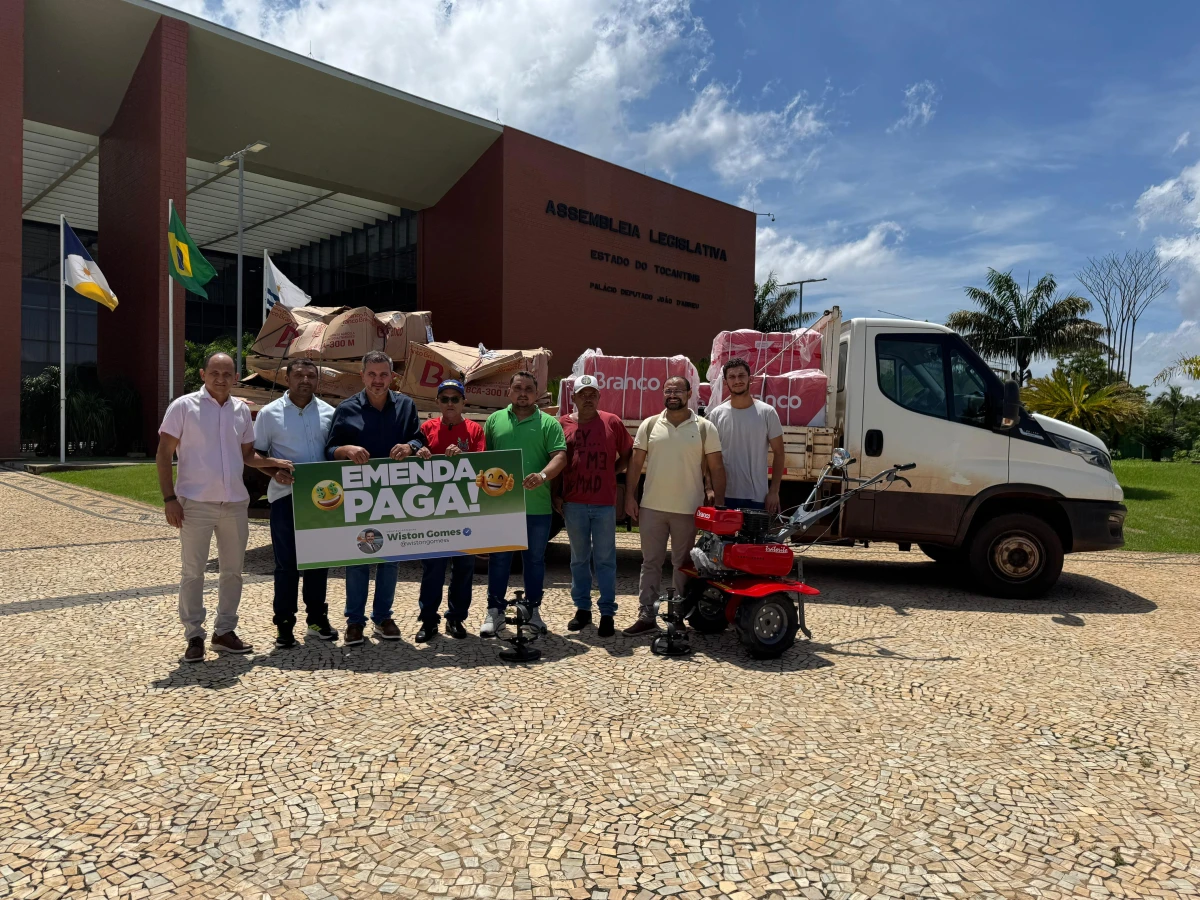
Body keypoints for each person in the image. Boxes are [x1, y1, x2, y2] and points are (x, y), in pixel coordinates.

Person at [157, 351, 291, 663]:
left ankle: (224, 631)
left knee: (233, 572)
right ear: (203, 374)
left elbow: (247, 456)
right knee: (193, 572)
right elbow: (164, 454)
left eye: (227, 374)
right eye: (214, 373)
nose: (220, 379)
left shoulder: (241, 411)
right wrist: (169, 499)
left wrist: (273, 466)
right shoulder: (183, 407)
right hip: (195, 504)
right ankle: (194, 635)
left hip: (234, 504)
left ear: (236, 377)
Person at [325, 349, 426, 646]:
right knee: (358, 557)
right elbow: (329, 450)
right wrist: (347, 450)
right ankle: (354, 621)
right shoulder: (346, 409)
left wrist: (409, 447)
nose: (378, 380)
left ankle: (383, 617)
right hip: (360, 495)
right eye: (372, 374)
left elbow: (419, 438)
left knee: (390, 558)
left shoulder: (406, 405)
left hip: (396, 494)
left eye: (383, 375)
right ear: (362, 376)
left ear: (392, 377)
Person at [623, 376, 726, 635]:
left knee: (683, 564)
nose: (672, 395)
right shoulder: (649, 425)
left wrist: (719, 506)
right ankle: (647, 615)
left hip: (688, 510)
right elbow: (635, 464)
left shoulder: (705, 428)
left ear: (690, 393)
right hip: (652, 507)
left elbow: (716, 467)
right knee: (650, 562)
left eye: (678, 390)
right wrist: (629, 497)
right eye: (668, 390)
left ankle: (677, 615)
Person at [252, 358, 339, 649]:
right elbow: (256, 454)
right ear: (287, 379)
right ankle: (284, 624)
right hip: (285, 497)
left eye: (311, 376)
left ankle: (316, 620)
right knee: (286, 564)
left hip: (322, 500)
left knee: (319, 562)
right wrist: (273, 471)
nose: (305, 380)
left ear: (317, 380)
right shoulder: (269, 414)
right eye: (299, 375)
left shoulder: (329, 413)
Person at [479, 370, 567, 638]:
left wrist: (542, 476)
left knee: (534, 561)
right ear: (509, 391)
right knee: (499, 559)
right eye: (518, 388)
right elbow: (484, 459)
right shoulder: (494, 420)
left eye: (529, 389)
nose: (523, 393)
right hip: (502, 507)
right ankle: (494, 612)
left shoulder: (548, 423)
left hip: (537, 507)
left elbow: (560, 457)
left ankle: (533, 611)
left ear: (537, 394)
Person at [555, 374, 633, 638]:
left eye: (592, 394)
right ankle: (583, 609)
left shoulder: (612, 422)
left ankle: (607, 613)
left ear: (599, 397)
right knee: (578, 559)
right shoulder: (563, 424)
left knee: (605, 559)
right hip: (574, 503)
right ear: (573, 398)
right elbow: (556, 459)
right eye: (582, 394)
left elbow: (628, 453)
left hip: (603, 503)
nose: (587, 398)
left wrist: (614, 471)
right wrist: (556, 494)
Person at [413, 378, 485, 642]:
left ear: (464, 402)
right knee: (433, 569)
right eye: (445, 399)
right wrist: (419, 453)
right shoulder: (426, 428)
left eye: (455, 399)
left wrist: (465, 457)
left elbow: (483, 464)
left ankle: (456, 618)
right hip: (433, 511)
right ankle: (428, 620)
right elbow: (412, 462)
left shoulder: (475, 430)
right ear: (438, 402)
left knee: (464, 568)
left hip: (465, 510)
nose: (450, 403)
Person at [705, 357, 786, 514]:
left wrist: (774, 491)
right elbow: (709, 456)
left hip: (757, 497)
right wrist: (709, 488)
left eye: (741, 375)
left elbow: (779, 453)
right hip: (724, 497)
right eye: (732, 377)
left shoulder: (767, 412)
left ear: (751, 378)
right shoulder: (716, 415)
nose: (737, 380)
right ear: (725, 382)